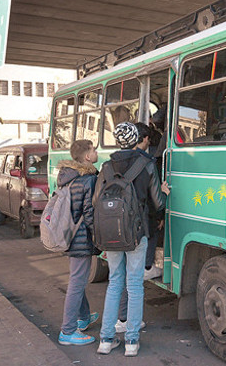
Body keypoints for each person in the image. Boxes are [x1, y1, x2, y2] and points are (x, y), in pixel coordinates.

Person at [96, 122, 170, 357]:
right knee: (135, 285)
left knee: (115, 283)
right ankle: (131, 341)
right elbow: (158, 203)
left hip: (112, 234)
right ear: (136, 138)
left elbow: (96, 201)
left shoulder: (106, 167)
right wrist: (165, 193)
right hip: (137, 234)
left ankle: (106, 340)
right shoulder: (146, 164)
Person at [57, 139, 101, 346]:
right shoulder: (88, 179)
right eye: (93, 150)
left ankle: (83, 318)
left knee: (78, 279)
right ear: (87, 157)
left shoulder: (67, 177)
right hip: (81, 237)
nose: (96, 152)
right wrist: (98, 239)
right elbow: (89, 214)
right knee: (76, 283)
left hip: (69, 234)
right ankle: (67, 331)